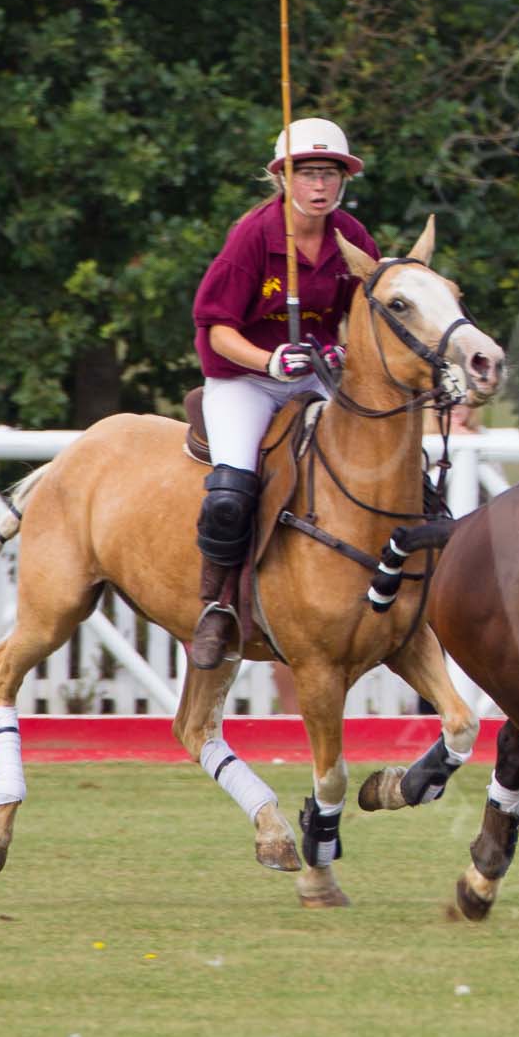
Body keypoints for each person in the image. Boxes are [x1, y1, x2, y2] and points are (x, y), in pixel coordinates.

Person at [189, 117, 369, 669]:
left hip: (315, 377)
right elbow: (215, 326)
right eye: (307, 173)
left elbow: (366, 317)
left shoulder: (354, 239)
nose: (319, 186)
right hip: (245, 379)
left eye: (329, 174)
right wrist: (268, 359)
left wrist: (345, 352)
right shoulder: (254, 235)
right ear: (283, 178)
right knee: (231, 491)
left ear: (343, 180)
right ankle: (216, 608)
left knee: (380, 459)